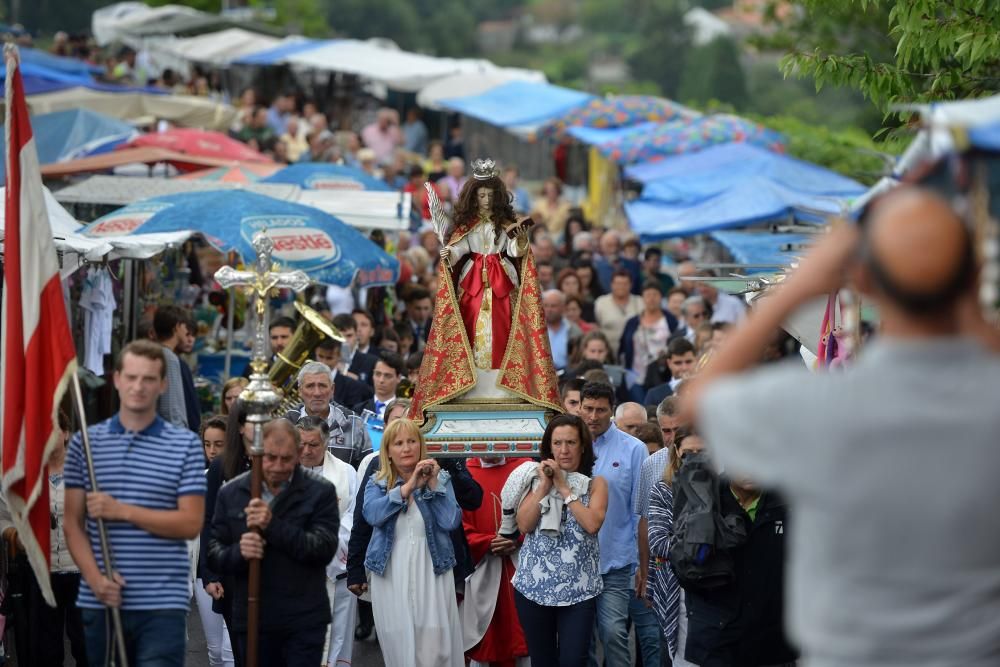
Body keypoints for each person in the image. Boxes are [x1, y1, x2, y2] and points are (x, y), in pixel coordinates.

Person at [688, 187, 1000, 666]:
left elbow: (699, 398)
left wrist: (796, 287)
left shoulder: (818, 407)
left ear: (864, 282)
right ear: (974, 277)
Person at [64, 341, 206, 666]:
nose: (138, 387)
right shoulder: (85, 444)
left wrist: (122, 511)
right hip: (101, 599)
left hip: (161, 602)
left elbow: (190, 523)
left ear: (163, 384)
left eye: (148, 379)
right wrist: (97, 580)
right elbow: (72, 524)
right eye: (131, 377)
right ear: (117, 379)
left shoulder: (184, 445)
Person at [412, 158, 560, 420]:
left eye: (490, 195)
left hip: (502, 278)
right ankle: (473, 382)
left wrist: (521, 240)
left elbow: (513, 250)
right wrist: (450, 252)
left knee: (503, 328)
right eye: (481, 195)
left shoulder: (505, 223)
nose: (486, 200)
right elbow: (461, 247)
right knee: (472, 327)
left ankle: (503, 384)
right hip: (474, 284)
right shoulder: (467, 225)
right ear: (474, 196)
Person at [208, 419, 340, 666]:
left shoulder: (320, 492)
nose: (278, 466)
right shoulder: (232, 492)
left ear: (299, 453)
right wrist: (239, 553)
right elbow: (214, 552)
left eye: (286, 458)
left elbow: (323, 549)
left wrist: (273, 526)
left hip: (303, 621)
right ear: (255, 452)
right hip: (253, 620)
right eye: (270, 457)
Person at [363, 418, 464, 666]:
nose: (406, 448)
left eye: (411, 441)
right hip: (390, 573)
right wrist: (408, 487)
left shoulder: (441, 479)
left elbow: (451, 520)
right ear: (387, 450)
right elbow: (372, 515)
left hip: (433, 571)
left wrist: (432, 484)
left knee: (435, 647)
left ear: (421, 446)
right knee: (398, 644)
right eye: (398, 443)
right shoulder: (377, 482)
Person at [511, 414, 608, 666]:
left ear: (583, 446)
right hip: (533, 588)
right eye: (557, 443)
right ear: (548, 447)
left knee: (574, 660)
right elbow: (523, 524)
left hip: (578, 591)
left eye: (571, 443)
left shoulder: (595, 484)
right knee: (542, 661)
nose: (564, 450)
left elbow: (592, 524)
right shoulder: (533, 479)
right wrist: (544, 486)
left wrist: (564, 488)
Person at [0, 408, 87, 667]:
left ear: (66, 433)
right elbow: (3, 515)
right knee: (45, 651)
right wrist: (15, 535)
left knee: (87, 648)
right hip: (40, 575)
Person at [578, 381, 648, 667]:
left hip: (616, 560)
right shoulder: (568, 444)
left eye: (601, 410)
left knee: (613, 632)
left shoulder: (634, 449)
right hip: (576, 561)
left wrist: (640, 562)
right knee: (581, 640)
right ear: (580, 407)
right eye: (588, 409)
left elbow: (640, 510)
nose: (593, 416)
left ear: (612, 412)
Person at [295, 417, 359, 667]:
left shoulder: (346, 473)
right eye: (301, 445)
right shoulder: (281, 472)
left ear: (326, 442)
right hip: (295, 574)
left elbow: (354, 517)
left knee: (336, 638)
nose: (307, 451)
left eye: (314, 445)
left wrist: (326, 548)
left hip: (336, 570)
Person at [461, 454, 530, 667]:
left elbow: (539, 512)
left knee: (525, 636)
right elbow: (456, 523)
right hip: (482, 566)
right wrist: (487, 542)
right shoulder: (463, 473)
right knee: (485, 639)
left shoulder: (526, 469)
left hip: (520, 563)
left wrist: (517, 537)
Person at [648, 429, 704, 666]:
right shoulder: (663, 490)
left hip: (719, 588)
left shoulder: (726, 491)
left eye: (702, 454)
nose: (694, 460)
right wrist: (703, 543)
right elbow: (658, 542)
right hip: (676, 586)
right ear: (676, 455)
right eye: (687, 454)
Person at [193, 416, 235, 667]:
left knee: (232, 649)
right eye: (207, 444)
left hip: (233, 567)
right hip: (203, 568)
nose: (212, 451)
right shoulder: (195, 478)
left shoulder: (244, 476)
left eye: (218, 444)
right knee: (215, 650)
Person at [285, 362, 372, 468]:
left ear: (332, 389)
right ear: (300, 391)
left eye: (322, 386)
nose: (317, 393)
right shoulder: (285, 425)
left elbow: (367, 470)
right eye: (310, 386)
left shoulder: (354, 424)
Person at [620, 281, 679, 387]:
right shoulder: (632, 322)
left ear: (661, 297)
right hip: (635, 376)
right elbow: (623, 347)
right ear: (642, 298)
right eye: (648, 295)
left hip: (662, 375)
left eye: (655, 295)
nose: (651, 299)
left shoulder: (671, 321)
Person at [152, 305, 190, 429]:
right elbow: (170, 408)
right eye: (184, 326)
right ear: (177, 327)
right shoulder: (169, 358)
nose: (186, 331)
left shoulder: (154, 352)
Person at [594, 270, 644, 359]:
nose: (621, 287)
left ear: (631, 285)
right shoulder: (601, 302)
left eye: (625, 284)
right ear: (612, 284)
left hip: (634, 353)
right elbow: (596, 327)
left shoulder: (640, 302)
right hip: (607, 353)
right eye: (618, 283)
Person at [314, 337, 374, 409]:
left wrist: (330, 399)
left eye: (329, 358)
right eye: (320, 356)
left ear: (339, 357)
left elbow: (351, 416)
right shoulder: (304, 376)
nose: (323, 362)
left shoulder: (353, 386)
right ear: (316, 353)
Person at [355, 352, 404, 419]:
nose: (381, 380)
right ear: (373, 375)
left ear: (398, 378)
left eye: (387, 376)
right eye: (378, 374)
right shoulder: (359, 409)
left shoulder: (404, 413)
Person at [332, 314, 378, 385]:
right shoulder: (323, 360)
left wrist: (353, 378)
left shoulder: (371, 362)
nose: (344, 340)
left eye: (349, 336)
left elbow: (373, 393)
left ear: (357, 335)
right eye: (339, 336)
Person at [544, 289, 583, 371]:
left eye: (553, 306)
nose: (549, 309)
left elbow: (578, 359)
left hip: (566, 376)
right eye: (546, 305)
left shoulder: (574, 330)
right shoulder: (534, 330)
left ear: (563, 308)